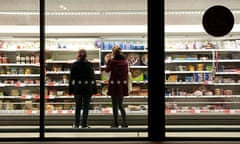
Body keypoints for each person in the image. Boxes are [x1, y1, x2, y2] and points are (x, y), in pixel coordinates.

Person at [69, 49, 97, 128]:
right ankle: (84, 124)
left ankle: (76, 124)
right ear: (86, 55)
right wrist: (95, 89)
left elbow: (71, 79)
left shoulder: (74, 65)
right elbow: (92, 78)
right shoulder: (89, 65)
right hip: (87, 88)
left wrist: (70, 90)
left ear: (78, 55)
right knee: (85, 107)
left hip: (77, 88)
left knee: (78, 106)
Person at [105, 45, 129, 128]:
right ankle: (125, 122)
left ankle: (115, 123)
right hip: (122, 85)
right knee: (121, 105)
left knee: (114, 105)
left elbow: (107, 70)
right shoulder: (125, 62)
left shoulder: (113, 61)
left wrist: (108, 60)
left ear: (113, 53)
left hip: (114, 85)